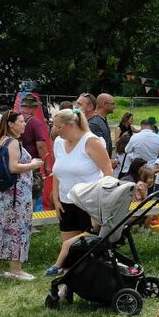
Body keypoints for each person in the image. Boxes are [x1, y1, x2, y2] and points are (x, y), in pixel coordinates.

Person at [46, 108, 113, 276]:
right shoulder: (59, 143)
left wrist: (100, 201)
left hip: (88, 202)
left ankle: (92, 280)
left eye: (58, 126)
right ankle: (68, 285)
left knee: (88, 247)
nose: (55, 130)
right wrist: (56, 197)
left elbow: (108, 173)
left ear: (70, 125)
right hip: (65, 200)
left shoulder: (91, 142)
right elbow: (58, 171)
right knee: (69, 247)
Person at [0, 110, 42, 280]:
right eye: (21, 121)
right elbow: (13, 167)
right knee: (16, 228)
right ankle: (16, 270)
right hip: (16, 195)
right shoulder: (12, 142)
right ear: (11, 124)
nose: (24, 124)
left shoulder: (1, 140)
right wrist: (33, 164)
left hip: (5, 193)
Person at [18, 92, 52, 211]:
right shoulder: (34, 122)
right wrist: (47, 165)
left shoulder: (12, 119)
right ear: (33, 107)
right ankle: (30, 220)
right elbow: (41, 146)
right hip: (31, 163)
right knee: (34, 191)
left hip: (14, 162)